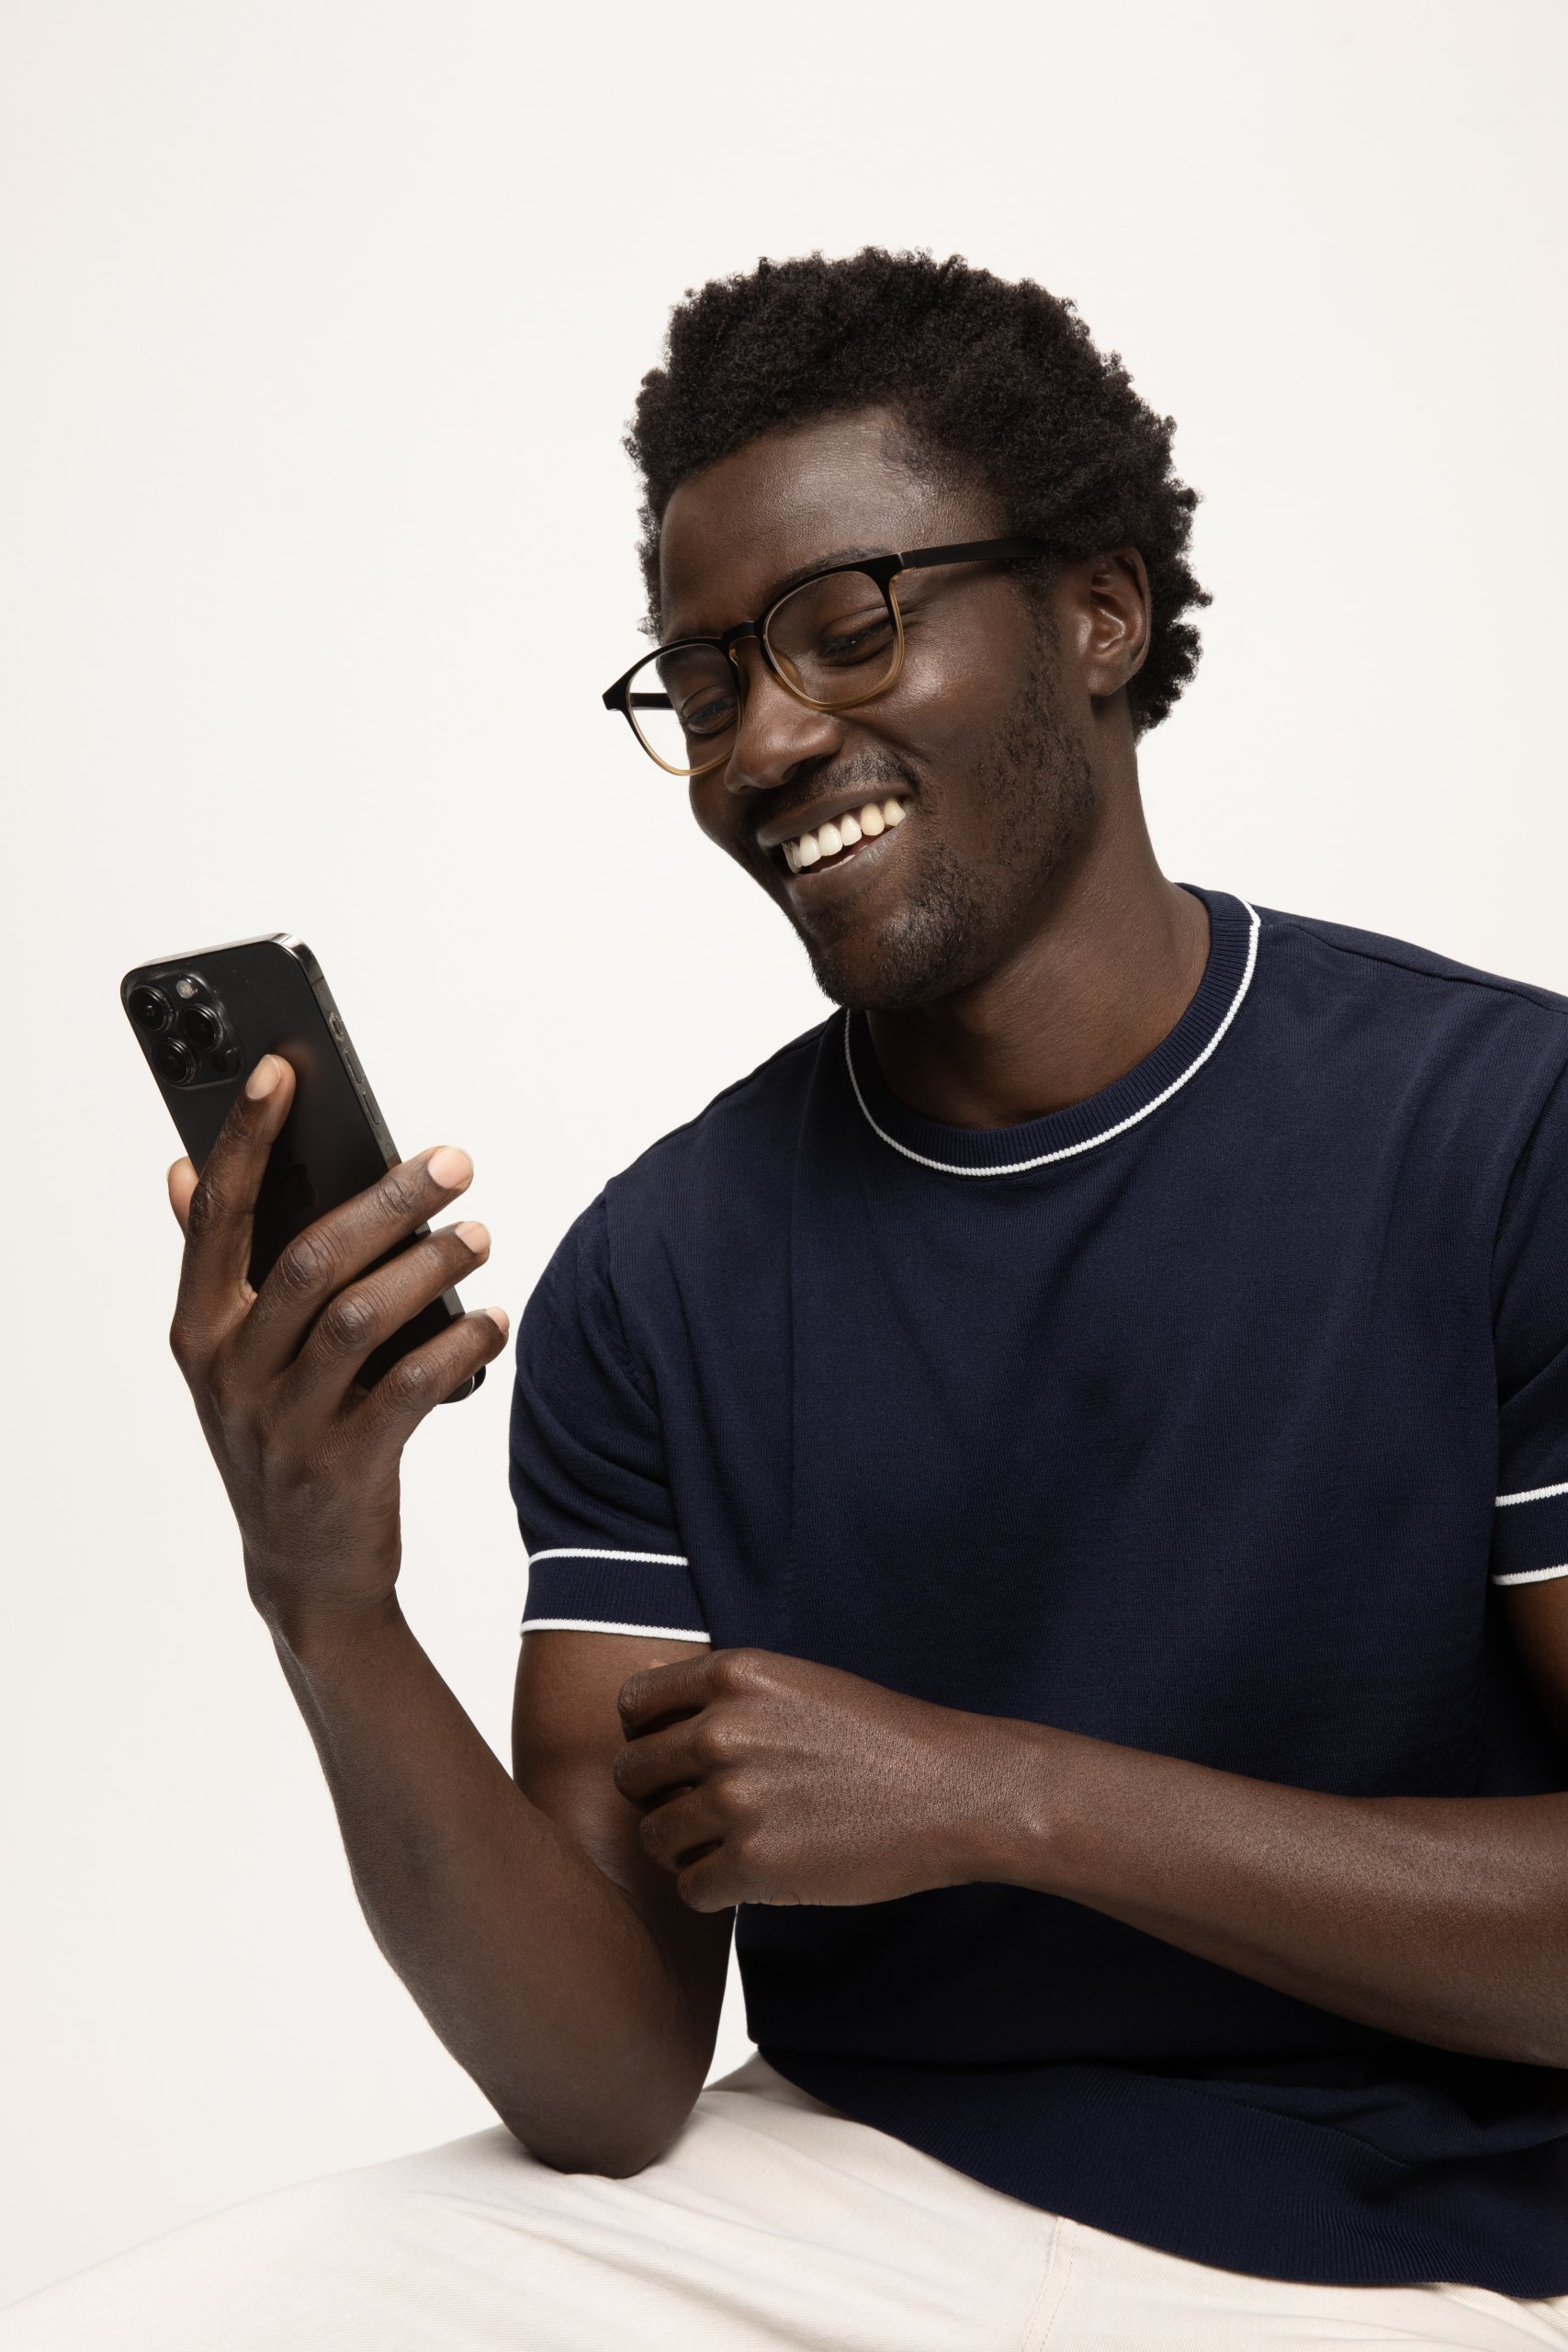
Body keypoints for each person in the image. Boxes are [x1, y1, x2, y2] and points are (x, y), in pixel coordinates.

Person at [8, 248, 1568, 2350]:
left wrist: (1000, 1798)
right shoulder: (665, 1271)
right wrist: (324, 1594)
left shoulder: (1499, 1132)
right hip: (850, 2190)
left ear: (1098, 611)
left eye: (847, 625)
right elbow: (608, 2077)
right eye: (703, 677)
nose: (764, 739)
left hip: (1434, 2238)